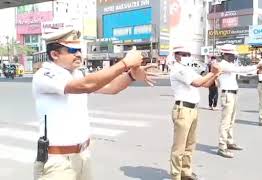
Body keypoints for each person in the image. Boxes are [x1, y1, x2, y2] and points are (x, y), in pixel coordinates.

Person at [32, 28, 156, 180]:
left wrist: (131, 75)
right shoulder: (45, 75)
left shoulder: (78, 73)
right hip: (58, 161)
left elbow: (111, 88)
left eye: (79, 50)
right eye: (72, 50)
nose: (78, 54)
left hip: (82, 156)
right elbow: (86, 85)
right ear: (55, 54)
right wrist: (124, 64)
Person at [169, 46, 221, 180]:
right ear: (176, 55)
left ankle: (185, 173)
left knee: (190, 144)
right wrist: (212, 73)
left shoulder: (188, 69)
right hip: (183, 110)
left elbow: (205, 83)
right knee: (179, 147)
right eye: (183, 54)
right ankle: (175, 175)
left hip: (193, 109)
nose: (186, 56)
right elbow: (198, 83)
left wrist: (215, 74)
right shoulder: (177, 69)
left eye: (188, 53)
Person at [216, 44, 262, 158]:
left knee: (231, 120)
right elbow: (240, 69)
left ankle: (229, 141)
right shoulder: (223, 65)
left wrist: (257, 71)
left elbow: (242, 72)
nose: (234, 57)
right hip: (227, 94)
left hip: (233, 94)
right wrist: (256, 66)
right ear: (225, 55)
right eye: (232, 55)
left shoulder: (230, 64)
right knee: (226, 121)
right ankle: (222, 146)